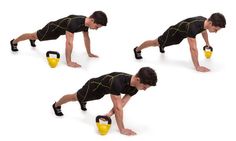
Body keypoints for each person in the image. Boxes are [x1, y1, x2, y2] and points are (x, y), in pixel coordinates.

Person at [52, 67, 157, 136]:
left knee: (87, 99)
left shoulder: (135, 87)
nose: (145, 89)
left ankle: (83, 101)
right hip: (93, 87)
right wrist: (122, 129)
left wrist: (110, 113)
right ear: (138, 79)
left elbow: (122, 103)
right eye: (144, 86)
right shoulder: (118, 81)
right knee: (74, 97)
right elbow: (118, 107)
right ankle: (56, 105)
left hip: (101, 93)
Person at [10, 11, 107, 68]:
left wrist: (89, 53)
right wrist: (69, 62)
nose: (96, 29)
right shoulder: (74, 23)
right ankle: (14, 41)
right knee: (33, 35)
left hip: (58, 32)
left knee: (35, 37)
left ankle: (33, 40)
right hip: (52, 29)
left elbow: (86, 38)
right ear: (92, 20)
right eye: (97, 26)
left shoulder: (85, 24)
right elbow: (69, 42)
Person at [133, 13, 226, 72]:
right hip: (172, 34)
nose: (216, 32)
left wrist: (207, 43)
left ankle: (162, 46)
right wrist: (197, 67)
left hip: (179, 37)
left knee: (164, 44)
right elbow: (193, 49)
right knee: (155, 42)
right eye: (216, 29)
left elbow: (203, 31)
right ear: (210, 23)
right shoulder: (193, 28)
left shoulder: (204, 22)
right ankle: (137, 49)